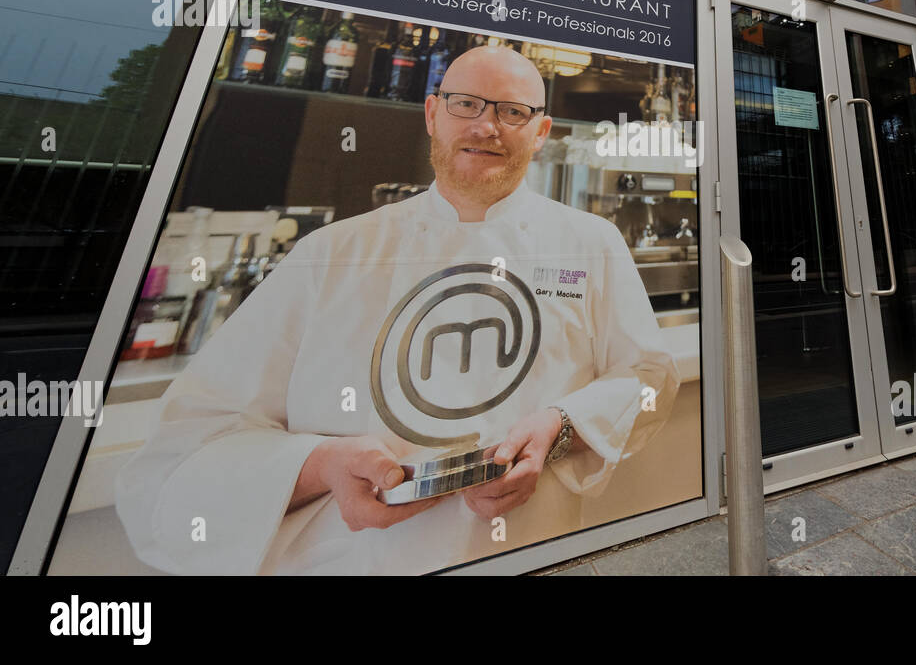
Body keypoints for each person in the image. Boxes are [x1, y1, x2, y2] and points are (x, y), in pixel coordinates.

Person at [115, 44, 680, 574]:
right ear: (433, 113)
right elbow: (184, 453)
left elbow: (648, 375)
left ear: (541, 133)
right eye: (466, 105)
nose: (487, 126)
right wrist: (321, 465)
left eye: (513, 112)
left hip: (531, 552)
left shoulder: (591, 243)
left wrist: (561, 427)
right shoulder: (329, 255)